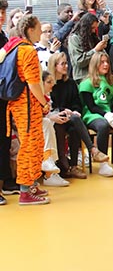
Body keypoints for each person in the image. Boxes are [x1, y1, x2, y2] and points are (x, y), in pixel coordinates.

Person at [6, 14, 51, 205]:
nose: (41, 31)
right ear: (30, 30)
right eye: (39, 28)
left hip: (21, 104)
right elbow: (33, 83)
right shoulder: (28, 52)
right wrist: (44, 102)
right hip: (27, 105)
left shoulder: (14, 47)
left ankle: (31, 184)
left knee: (35, 143)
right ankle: (25, 190)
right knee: (29, 146)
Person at [48, 52, 108, 179]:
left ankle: (74, 166)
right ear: (54, 66)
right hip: (55, 117)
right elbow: (50, 105)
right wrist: (65, 111)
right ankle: (92, 150)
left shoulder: (70, 83)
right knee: (67, 125)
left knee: (75, 123)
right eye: (62, 64)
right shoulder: (50, 83)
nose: (66, 66)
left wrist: (74, 110)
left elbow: (76, 102)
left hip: (71, 117)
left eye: (66, 63)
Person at [79, 52, 113, 177]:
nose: (105, 65)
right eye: (102, 62)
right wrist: (106, 115)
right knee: (103, 126)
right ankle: (104, 164)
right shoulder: (87, 84)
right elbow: (91, 106)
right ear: (95, 64)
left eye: (107, 62)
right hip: (94, 114)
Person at [40, 70, 70, 187]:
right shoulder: (35, 96)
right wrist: (52, 118)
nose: (52, 84)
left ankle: (53, 169)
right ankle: (49, 169)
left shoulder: (47, 97)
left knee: (56, 125)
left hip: (43, 126)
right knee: (48, 123)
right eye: (49, 82)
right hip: (27, 128)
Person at [0, 0, 14, 205]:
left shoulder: (3, 35)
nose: (1, 16)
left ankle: (6, 180)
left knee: (5, 138)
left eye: (3, 12)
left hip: (3, 94)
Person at [68, 13, 108, 83]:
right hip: (82, 77)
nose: (93, 31)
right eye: (92, 28)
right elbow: (79, 61)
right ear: (86, 27)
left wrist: (102, 49)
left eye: (95, 28)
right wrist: (95, 50)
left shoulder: (92, 36)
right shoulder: (74, 38)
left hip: (96, 75)